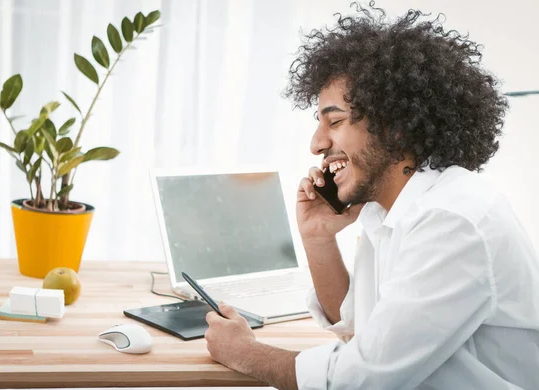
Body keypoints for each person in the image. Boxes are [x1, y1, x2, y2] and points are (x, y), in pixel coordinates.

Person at [204, 3, 539, 390]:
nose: (316, 144)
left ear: (394, 127)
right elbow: (361, 333)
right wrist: (318, 238)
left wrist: (244, 352)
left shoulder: (452, 221)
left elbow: (359, 379)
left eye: (336, 121)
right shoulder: (389, 210)